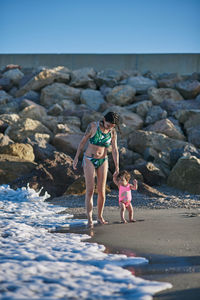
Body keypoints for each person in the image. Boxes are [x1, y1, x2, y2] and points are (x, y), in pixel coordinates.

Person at [73, 111, 120, 228]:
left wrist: (117, 166)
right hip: (89, 159)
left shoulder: (112, 132)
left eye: (112, 126)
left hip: (103, 160)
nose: (110, 128)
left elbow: (114, 150)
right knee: (90, 190)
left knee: (102, 192)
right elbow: (82, 142)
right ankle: (89, 219)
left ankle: (99, 217)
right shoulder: (93, 127)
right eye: (108, 125)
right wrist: (76, 158)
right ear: (104, 120)